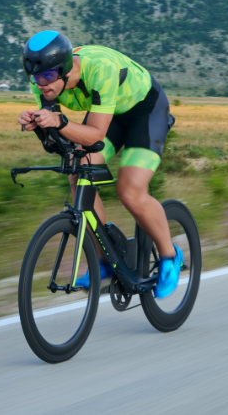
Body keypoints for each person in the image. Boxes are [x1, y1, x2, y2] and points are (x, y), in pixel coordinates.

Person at [17, 30, 181, 298]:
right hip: (110, 114)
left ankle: (169, 255)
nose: (41, 84)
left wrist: (59, 122)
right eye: (34, 77)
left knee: (130, 190)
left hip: (145, 112)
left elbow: (93, 134)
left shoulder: (100, 69)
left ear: (65, 69)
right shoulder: (42, 83)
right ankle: (103, 261)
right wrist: (39, 126)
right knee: (76, 169)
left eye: (47, 76)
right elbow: (56, 140)